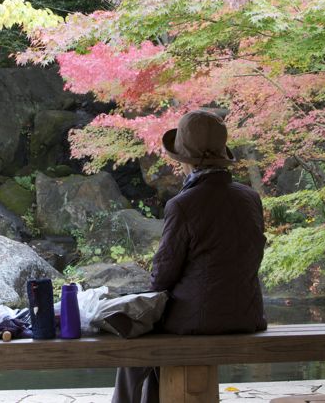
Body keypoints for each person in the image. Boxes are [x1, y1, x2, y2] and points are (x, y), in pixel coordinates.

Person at [112, 110, 267, 403]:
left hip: (198, 320)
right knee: (158, 343)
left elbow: (163, 275)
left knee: (134, 337)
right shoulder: (250, 198)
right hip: (249, 315)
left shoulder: (183, 205)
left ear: (185, 159)